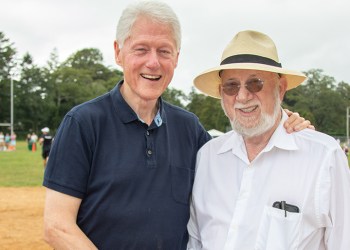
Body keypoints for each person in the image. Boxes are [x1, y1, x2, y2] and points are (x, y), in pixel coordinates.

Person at [42, 2, 311, 249]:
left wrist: (279, 122)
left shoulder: (189, 128)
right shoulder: (83, 122)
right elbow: (57, 226)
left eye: (164, 51)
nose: (153, 62)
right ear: (118, 52)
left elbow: (240, 159)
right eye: (141, 49)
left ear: (177, 58)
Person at [187, 30, 350, 249]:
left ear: (280, 89)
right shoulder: (208, 156)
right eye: (231, 86)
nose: (242, 96)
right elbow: (196, 241)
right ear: (222, 93)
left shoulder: (323, 156)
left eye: (255, 83)